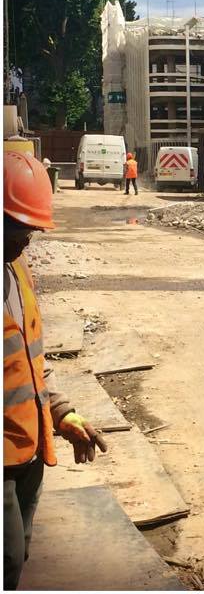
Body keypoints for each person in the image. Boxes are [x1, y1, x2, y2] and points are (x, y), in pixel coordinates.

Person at [4, 151, 107, 590]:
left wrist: (60, 413)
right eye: (16, 227)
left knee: (18, 553)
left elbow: (27, 363)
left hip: (27, 453)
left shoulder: (16, 272)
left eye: (32, 228)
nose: (27, 239)